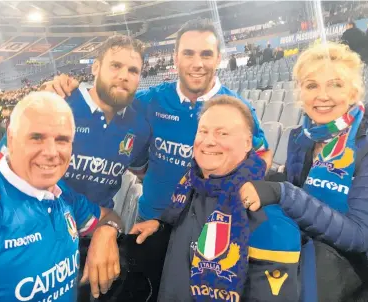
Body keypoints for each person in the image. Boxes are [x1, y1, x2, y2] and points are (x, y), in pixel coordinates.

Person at [41, 19, 272, 222]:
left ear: (218, 58)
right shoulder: (148, 101)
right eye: (188, 53)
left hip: (209, 221)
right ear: (176, 58)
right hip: (151, 218)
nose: (197, 63)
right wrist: (63, 90)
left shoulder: (237, 108)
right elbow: (111, 100)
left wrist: (245, 185)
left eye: (206, 54)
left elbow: (263, 154)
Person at [0, 91, 123, 301]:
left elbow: (109, 217)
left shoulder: (62, 194)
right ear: (11, 139)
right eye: (36, 137)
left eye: (62, 140)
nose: (51, 152)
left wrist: (107, 231)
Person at [0, 35, 151, 210]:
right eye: (116, 65)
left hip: (95, 231)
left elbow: (144, 172)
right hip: (38, 225)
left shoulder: (139, 126)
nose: (124, 76)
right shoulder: (57, 101)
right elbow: (2, 159)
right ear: (96, 67)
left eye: (133, 70)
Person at [129, 96, 301, 301]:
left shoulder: (269, 217)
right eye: (203, 131)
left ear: (248, 143)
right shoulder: (190, 186)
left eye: (223, 133)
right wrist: (161, 228)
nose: (209, 141)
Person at [239, 43, 368, 302]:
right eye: (312, 85)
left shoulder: (363, 145)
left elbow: (359, 236)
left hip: (349, 280)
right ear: (300, 92)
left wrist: (283, 193)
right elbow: (297, 193)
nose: (323, 95)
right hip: (301, 263)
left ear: (354, 91)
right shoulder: (299, 138)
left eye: (335, 84)